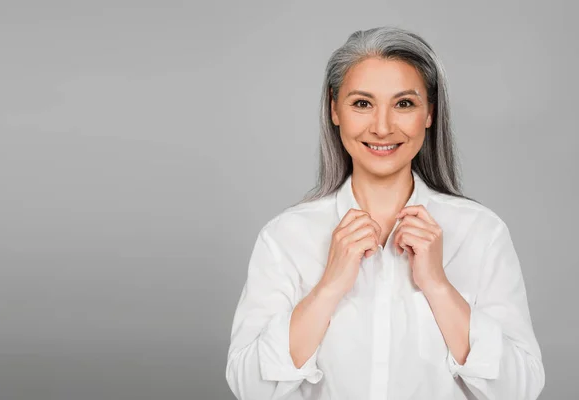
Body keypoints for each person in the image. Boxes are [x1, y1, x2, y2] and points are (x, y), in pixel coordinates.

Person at [225, 26, 545, 400]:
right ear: (334, 109)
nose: (382, 127)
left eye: (404, 104)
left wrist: (438, 286)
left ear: (429, 113)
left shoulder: (481, 233)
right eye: (362, 103)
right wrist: (329, 287)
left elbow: (520, 390)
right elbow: (250, 388)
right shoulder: (285, 237)